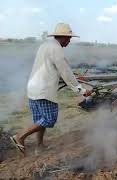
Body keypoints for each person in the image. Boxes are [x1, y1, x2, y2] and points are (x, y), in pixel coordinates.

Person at [10, 23, 91, 156]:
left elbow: (52, 67)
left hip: (33, 87)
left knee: (40, 120)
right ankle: (20, 136)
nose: (69, 41)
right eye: (68, 38)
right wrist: (81, 90)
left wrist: (73, 75)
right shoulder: (56, 49)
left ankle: (40, 146)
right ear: (62, 37)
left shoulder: (45, 46)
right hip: (43, 90)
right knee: (49, 119)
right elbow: (65, 71)